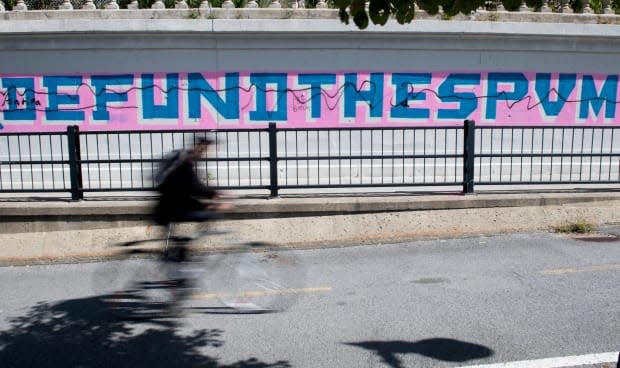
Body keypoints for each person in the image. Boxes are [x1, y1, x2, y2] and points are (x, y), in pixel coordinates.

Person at [153, 137, 228, 262]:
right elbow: (193, 187)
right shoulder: (186, 162)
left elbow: (189, 188)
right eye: (205, 148)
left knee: (205, 210)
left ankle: (178, 247)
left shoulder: (182, 158)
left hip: (167, 206)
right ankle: (183, 246)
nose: (206, 152)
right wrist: (215, 196)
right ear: (198, 145)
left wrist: (211, 197)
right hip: (173, 208)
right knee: (211, 215)